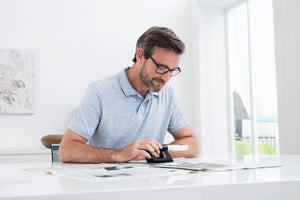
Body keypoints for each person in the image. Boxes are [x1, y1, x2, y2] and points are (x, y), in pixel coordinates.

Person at [59, 26, 199, 163]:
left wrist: (153, 153)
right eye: (162, 68)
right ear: (140, 56)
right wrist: (120, 154)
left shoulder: (166, 94)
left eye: (172, 70)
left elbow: (192, 144)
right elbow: (67, 150)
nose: (166, 78)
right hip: (108, 183)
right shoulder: (99, 92)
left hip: (151, 183)